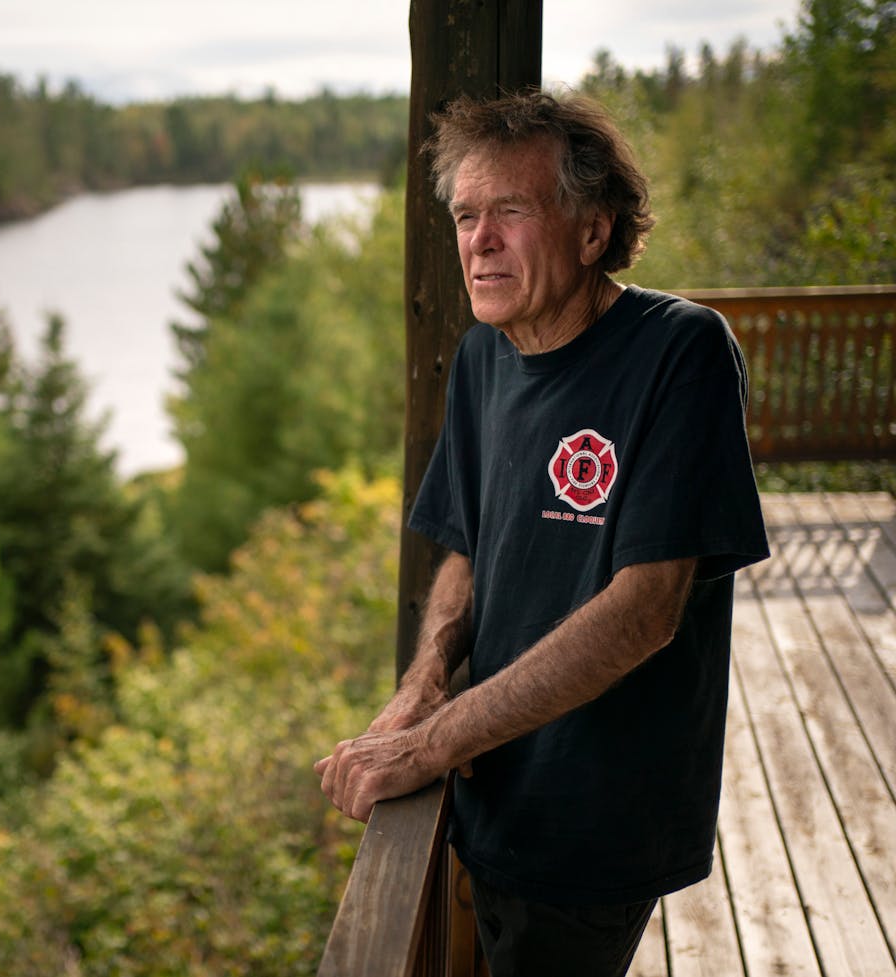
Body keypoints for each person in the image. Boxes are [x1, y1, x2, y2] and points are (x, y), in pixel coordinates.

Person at [314, 90, 770, 977]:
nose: (479, 241)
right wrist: (423, 685)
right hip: (495, 788)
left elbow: (645, 611)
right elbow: (467, 548)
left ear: (594, 231)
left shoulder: (680, 352)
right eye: (466, 215)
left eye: (510, 213)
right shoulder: (484, 354)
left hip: (596, 815)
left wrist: (435, 742)